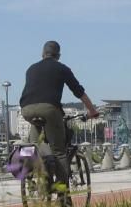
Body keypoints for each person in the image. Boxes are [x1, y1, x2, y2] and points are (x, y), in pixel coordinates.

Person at [19, 41, 100, 184]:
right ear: (59, 55)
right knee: (59, 151)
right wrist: (92, 111)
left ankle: (31, 173)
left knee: (34, 144)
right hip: (49, 109)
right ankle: (63, 197)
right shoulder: (62, 68)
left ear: (42, 54)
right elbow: (79, 92)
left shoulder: (31, 69)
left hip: (26, 109)